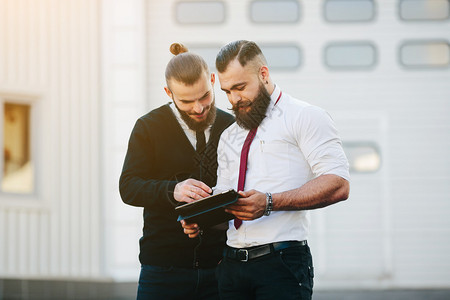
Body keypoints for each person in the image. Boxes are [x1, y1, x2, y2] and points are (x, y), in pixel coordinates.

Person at [182, 40, 350, 299]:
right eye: (227, 91)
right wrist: (201, 217)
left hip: (281, 265)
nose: (234, 99)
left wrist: (270, 202)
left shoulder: (305, 116)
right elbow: (231, 205)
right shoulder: (228, 136)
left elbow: (338, 183)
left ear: (263, 74)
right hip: (231, 267)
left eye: (240, 87)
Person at [119, 43, 234, 300]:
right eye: (186, 101)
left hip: (221, 270)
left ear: (213, 80)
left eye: (204, 96)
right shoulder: (148, 127)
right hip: (162, 272)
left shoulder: (232, 127)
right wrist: (175, 190)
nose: (198, 108)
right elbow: (128, 187)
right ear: (168, 92)